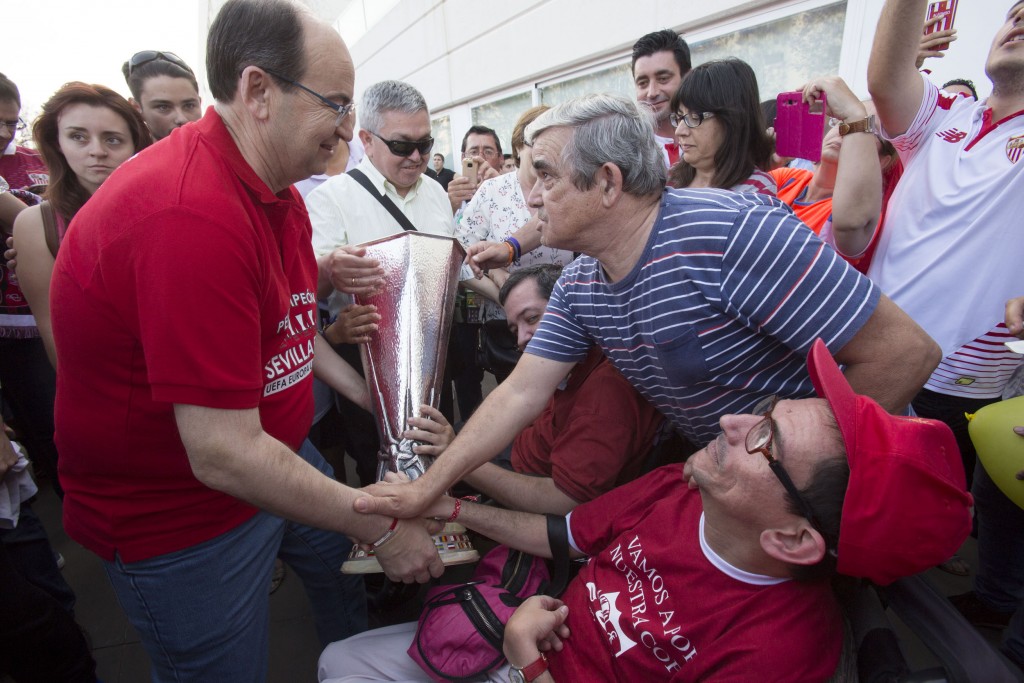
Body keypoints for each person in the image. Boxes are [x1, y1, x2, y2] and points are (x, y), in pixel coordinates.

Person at [48, 1, 444, 679]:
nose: (349, 130)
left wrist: (376, 400)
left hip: (283, 456)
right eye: (335, 104)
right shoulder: (190, 216)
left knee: (338, 581)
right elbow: (224, 453)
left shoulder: (277, 190)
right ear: (259, 91)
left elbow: (286, 323)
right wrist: (378, 523)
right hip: (183, 520)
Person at [352, 93, 941, 526]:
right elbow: (518, 393)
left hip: (829, 497)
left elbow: (906, 354)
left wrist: (782, 474)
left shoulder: (726, 233)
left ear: (608, 183)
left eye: (548, 176)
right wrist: (430, 482)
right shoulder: (583, 279)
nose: (529, 196)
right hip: (743, 486)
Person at [319, 339, 972, 682]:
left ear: (795, 539)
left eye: (764, 438)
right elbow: (564, 532)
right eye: (767, 411)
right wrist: (450, 503)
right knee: (337, 663)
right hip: (519, 642)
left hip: (527, 656)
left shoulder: (776, 655)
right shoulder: (687, 484)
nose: (730, 422)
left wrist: (528, 662)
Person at [865, 0, 1024, 662]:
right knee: (862, 524)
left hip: (963, 385)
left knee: (914, 532)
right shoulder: (944, 117)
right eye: (1013, 12)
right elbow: (883, 81)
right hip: (866, 355)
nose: (1018, 19)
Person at [406, 264, 664, 515]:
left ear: (571, 308)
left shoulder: (603, 398)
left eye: (532, 318)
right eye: (514, 329)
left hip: (523, 478)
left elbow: (562, 501)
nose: (521, 339)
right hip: (516, 451)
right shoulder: (566, 364)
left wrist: (457, 460)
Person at [14, 82, 152, 367]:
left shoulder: (160, 213)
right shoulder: (37, 226)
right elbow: (58, 343)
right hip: (96, 390)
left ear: (135, 145)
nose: (97, 151)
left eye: (112, 139)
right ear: (57, 142)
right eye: (78, 137)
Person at [454, 106, 572, 380]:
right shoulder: (493, 191)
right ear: (519, 146)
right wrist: (507, 296)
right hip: (507, 328)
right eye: (536, 141)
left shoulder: (565, 187)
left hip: (562, 317)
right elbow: (458, 259)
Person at [770, 76, 899, 269]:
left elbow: (852, 222)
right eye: (841, 122)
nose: (843, 131)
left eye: (867, 129)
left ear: (881, 161)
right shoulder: (788, 177)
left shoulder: (859, 214)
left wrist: (855, 113)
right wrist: (766, 164)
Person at [666, 58, 776, 195]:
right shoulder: (669, 180)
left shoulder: (754, 190)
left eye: (695, 118)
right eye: (679, 117)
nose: (679, 131)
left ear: (732, 121)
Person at [632, 28, 692, 167]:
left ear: (688, 77)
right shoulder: (627, 148)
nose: (651, 93)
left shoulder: (712, 141)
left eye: (663, 79)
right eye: (643, 83)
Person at [121, 50, 203, 141]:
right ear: (136, 109)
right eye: (163, 107)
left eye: (189, 105)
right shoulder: (125, 154)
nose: (181, 119)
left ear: (200, 103)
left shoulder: (219, 152)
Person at [446, 124, 504, 212]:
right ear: (463, 158)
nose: (480, 158)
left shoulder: (516, 191)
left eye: (488, 152)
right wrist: (450, 209)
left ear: (500, 158)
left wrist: (503, 191)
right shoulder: (453, 199)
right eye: (473, 152)